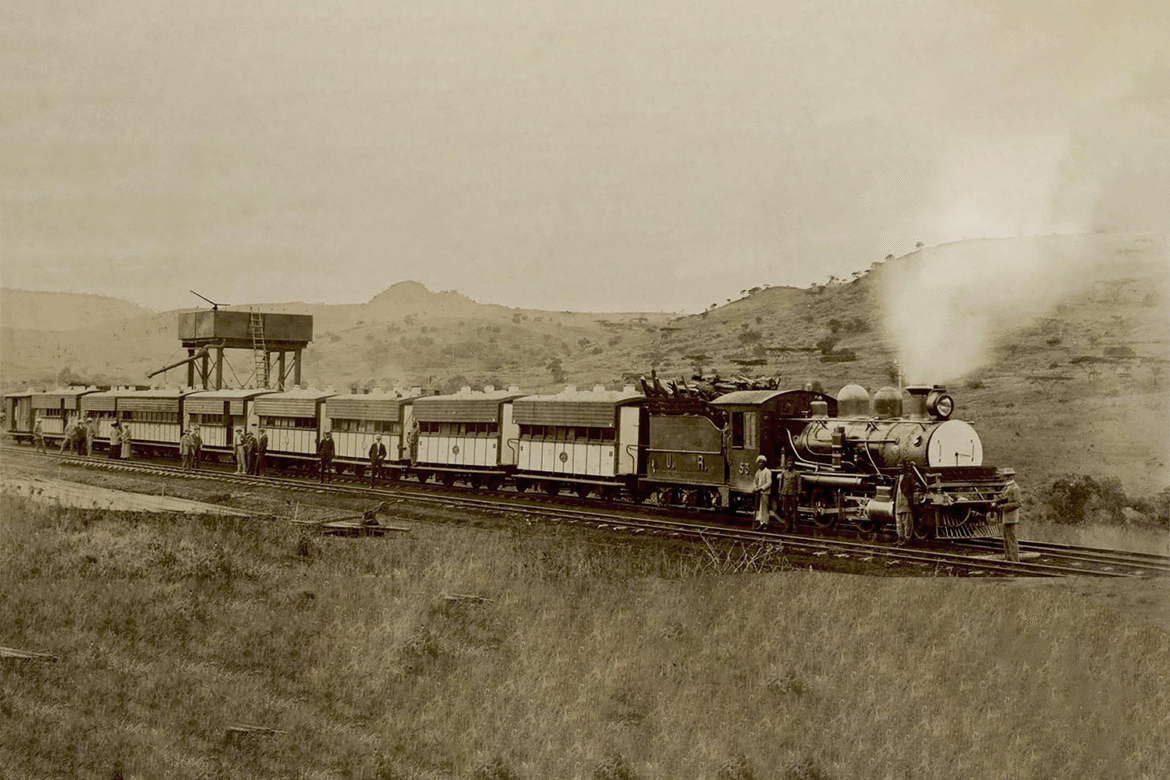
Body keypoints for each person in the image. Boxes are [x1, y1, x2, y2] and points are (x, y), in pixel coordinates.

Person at [999, 474, 1022, 563]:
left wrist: (1003, 507)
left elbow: (1018, 503)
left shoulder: (1015, 488)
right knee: (1006, 540)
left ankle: (1015, 561)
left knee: (1012, 540)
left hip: (1011, 517)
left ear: (1009, 477)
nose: (1003, 478)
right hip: (1006, 517)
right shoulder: (1007, 487)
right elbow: (1003, 497)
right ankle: (1008, 559)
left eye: (1005, 476)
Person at [894, 463, 917, 545]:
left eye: (901, 466)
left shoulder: (909, 476)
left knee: (906, 522)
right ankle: (900, 538)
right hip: (897, 502)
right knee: (898, 522)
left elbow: (915, 485)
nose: (899, 468)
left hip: (905, 502)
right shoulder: (897, 477)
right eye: (899, 466)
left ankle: (907, 539)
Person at [777, 458, 802, 531]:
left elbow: (799, 484)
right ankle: (787, 526)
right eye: (788, 463)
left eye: (791, 464)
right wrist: (780, 493)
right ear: (786, 464)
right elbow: (780, 484)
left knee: (794, 512)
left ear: (793, 465)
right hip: (785, 493)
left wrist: (798, 494)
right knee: (785, 511)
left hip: (793, 494)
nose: (789, 465)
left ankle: (795, 527)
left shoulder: (797, 474)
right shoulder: (783, 473)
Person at [753, 455, 773, 530]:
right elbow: (755, 481)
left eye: (762, 462)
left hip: (765, 493)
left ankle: (765, 524)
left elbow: (769, 482)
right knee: (759, 508)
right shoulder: (758, 472)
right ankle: (760, 522)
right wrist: (756, 488)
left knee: (765, 508)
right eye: (759, 462)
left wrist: (761, 488)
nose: (761, 464)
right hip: (759, 493)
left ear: (765, 463)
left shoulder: (767, 472)